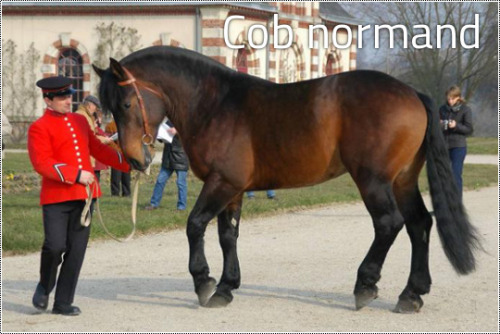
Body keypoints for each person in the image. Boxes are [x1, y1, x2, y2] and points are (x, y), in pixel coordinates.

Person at [28, 76, 130, 316]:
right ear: (48, 100)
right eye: (62, 97)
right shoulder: (38, 127)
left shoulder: (79, 122)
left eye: (69, 95)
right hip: (56, 197)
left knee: (76, 250)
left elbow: (98, 149)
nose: (68, 100)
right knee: (54, 247)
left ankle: (63, 302)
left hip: (85, 197)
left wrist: (129, 163)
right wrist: (75, 175)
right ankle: (44, 286)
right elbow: (41, 162)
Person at [439, 85, 473, 199]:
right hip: (444, 145)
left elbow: (469, 129)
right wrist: (439, 125)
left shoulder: (465, 110)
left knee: (455, 174)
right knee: (444, 175)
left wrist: (456, 126)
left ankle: (457, 203)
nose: (450, 101)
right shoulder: (442, 109)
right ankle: (446, 203)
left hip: (458, 146)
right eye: (448, 98)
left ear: (458, 97)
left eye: (452, 98)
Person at [145, 122, 189, 211]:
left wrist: (177, 131)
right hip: (168, 157)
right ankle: (154, 204)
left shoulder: (185, 120)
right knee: (160, 181)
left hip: (181, 157)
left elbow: (190, 133)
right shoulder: (168, 122)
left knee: (181, 183)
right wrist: (158, 135)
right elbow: (162, 137)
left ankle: (181, 207)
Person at [105, 120, 131, 197]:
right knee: (116, 174)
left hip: (126, 153)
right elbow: (108, 140)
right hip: (116, 153)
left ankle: (126, 192)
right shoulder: (110, 126)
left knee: (126, 174)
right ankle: (115, 193)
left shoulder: (128, 124)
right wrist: (117, 149)